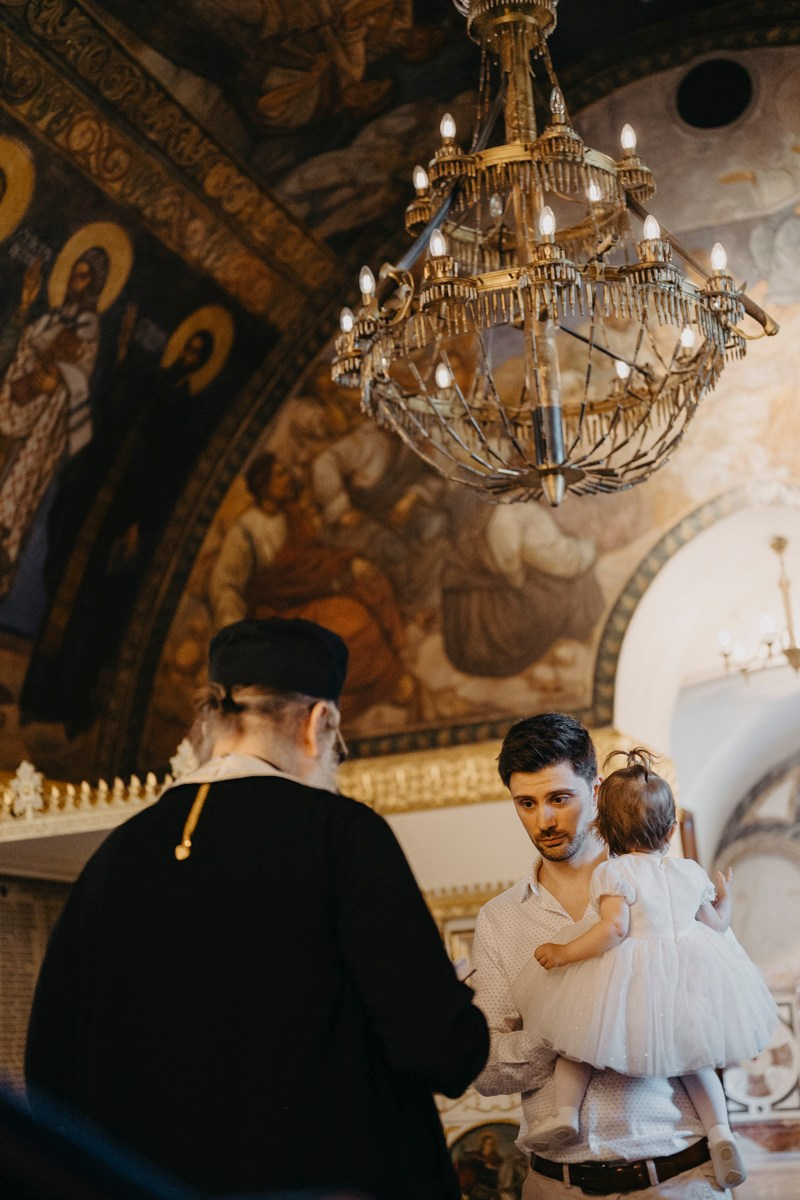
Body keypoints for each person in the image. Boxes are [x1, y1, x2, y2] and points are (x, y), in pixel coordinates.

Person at [26, 617, 489, 1199]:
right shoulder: (341, 835)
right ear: (320, 724)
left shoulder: (113, 858)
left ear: (211, 722)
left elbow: (50, 1079)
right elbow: (443, 1052)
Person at [471, 712, 741, 1198]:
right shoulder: (499, 920)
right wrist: (572, 1025)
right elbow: (486, 1069)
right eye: (525, 804)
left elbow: (725, 1013)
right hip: (557, 1186)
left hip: (677, 1177)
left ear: (596, 790)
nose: (544, 820)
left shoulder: (670, 887)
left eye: (559, 798)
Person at [526, 748, 777, 1189]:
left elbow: (614, 930)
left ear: (603, 828)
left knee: (579, 1046)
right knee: (696, 1062)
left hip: (630, 983)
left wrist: (565, 954)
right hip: (683, 986)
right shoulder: (688, 871)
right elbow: (716, 926)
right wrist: (728, 899)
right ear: (670, 828)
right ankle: (720, 1131)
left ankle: (565, 1114)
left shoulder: (614, 873)